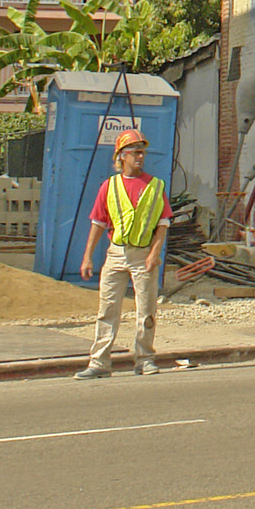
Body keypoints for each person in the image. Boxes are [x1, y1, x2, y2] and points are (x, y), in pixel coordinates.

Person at [75, 129, 166, 378]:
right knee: (108, 308)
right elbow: (98, 223)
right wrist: (87, 257)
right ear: (122, 156)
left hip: (143, 254)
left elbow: (163, 224)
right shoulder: (110, 186)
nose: (140, 156)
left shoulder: (155, 186)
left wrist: (153, 254)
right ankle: (99, 363)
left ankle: (145, 359)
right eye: (136, 152)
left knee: (146, 310)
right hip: (115, 253)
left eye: (142, 152)